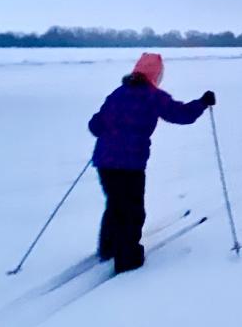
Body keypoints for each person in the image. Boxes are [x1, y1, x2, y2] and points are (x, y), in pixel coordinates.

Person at [88, 53, 215, 274]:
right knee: (132, 210)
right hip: (130, 164)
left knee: (116, 204)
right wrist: (202, 103)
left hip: (105, 162)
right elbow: (181, 114)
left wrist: (108, 127)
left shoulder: (117, 94)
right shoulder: (152, 97)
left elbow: (95, 125)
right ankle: (127, 258)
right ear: (156, 75)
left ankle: (108, 247)